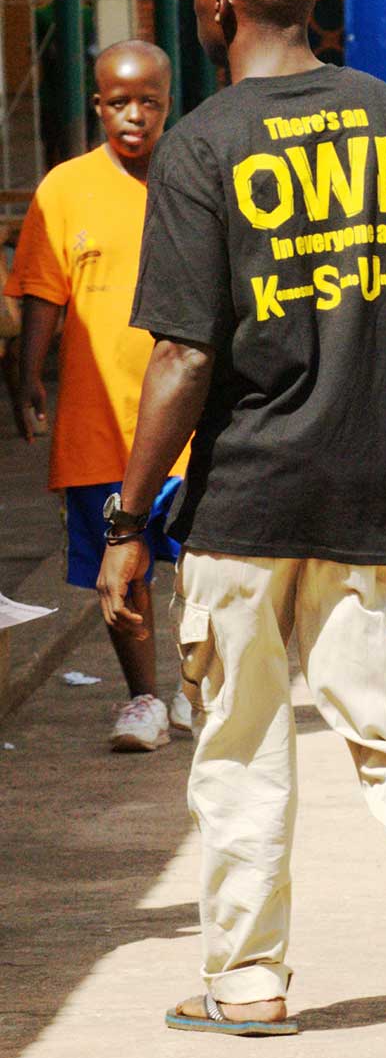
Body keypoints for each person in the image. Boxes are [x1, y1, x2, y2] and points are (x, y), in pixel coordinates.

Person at [96, 0, 386, 1051]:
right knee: (383, 725)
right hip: (373, 489)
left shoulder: (203, 145)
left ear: (220, 9)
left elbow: (184, 357)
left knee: (242, 747)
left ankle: (247, 986)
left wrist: (128, 517)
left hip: (247, 499)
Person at [7, 40, 191, 751]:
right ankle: (143, 698)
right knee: (124, 572)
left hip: (190, 422)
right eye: (119, 103)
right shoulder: (64, 189)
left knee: (206, 566)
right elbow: (43, 295)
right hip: (97, 421)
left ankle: (197, 687)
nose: (135, 116)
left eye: (149, 101)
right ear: (98, 104)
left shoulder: (192, 176)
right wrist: (26, 379)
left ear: (169, 102)